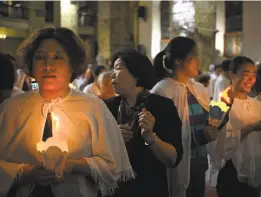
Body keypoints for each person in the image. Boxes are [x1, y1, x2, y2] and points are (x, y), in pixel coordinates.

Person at [0, 27, 134, 197]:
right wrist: (26, 172)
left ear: (73, 64)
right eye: (40, 57)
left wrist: (74, 165)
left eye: (58, 57)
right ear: (31, 65)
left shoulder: (93, 107)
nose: (48, 65)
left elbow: (112, 164)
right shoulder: (11, 108)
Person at [104, 49, 183, 197]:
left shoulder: (162, 107)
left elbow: (173, 159)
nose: (112, 74)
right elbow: (93, 151)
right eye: (112, 69)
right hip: (114, 189)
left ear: (137, 74)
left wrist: (150, 137)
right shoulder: (107, 107)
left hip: (150, 188)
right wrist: (112, 139)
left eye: (118, 68)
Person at [151, 37, 219, 197]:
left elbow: (208, 120)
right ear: (179, 61)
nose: (198, 61)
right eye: (194, 56)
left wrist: (221, 116)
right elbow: (165, 135)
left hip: (199, 163)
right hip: (177, 165)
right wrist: (201, 136)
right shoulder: (162, 91)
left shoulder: (198, 88)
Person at [214, 56, 261, 197]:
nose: (251, 80)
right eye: (246, 75)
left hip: (254, 171)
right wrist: (250, 128)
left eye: (253, 75)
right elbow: (219, 144)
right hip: (231, 171)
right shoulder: (220, 105)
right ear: (232, 74)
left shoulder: (256, 104)